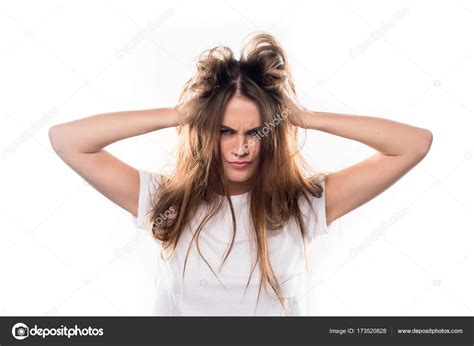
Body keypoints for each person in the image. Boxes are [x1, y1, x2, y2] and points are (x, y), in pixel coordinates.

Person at [48, 33, 433, 316]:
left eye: (255, 132)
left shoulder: (303, 204)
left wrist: (306, 118)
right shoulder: (166, 201)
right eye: (226, 131)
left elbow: (413, 144)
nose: (241, 148)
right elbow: (67, 140)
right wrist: (182, 114)